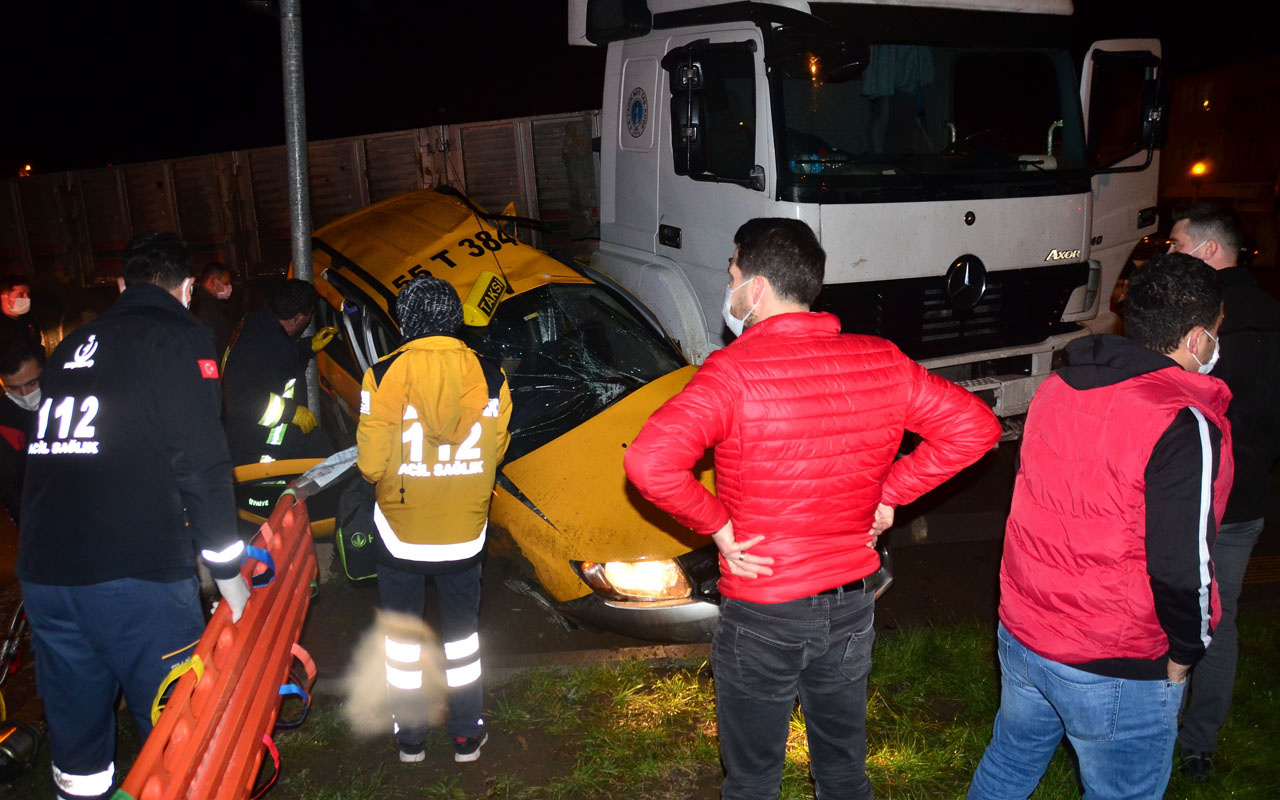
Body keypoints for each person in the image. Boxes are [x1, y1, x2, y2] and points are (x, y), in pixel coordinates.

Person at [624, 218, 1000, 800]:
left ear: (758, 288)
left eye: (732, 274)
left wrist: (718, 526)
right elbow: (976, 428)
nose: (729, 287)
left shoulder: (733, 373)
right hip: (851, 604)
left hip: (764, 612)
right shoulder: (882, 360)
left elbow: (649, 463)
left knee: (752, 780)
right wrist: (890, 491)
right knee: (845, 771)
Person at [966, 252, 1233, 800]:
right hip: (1117, 660)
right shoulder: (1183, 422)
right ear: (1198, 338)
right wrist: (1186, 652)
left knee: (1010, 765)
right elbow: (1184, 564)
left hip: (1026, 632)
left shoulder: (1057, 389)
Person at [17, 231, 249, 800]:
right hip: (132, 578)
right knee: (177, 734)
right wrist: (229, 578)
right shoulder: (180, 338)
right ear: (189, 288)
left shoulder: (75, 345)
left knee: (78, 740)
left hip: (45, 576)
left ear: (121, 284)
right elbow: (202, 463)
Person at [356, 274, 511, 765]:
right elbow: (496, 450)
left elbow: (370, 466)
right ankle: (467, 736)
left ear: (406, 323)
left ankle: (411, 737)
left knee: (403, 641)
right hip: (464, 535)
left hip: (400, 535)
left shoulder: (382, 375)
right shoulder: (491, 376)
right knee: (463, 639)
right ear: (455, 320)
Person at [1167, 201, 1280, 782]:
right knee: (1221, 618)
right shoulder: (1272, 314)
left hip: (1191, 498)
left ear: (1210, 250)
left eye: (1177, 244)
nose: (1170, 253)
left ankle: (1156, 733)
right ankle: (1198, 746)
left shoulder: (1202, 322)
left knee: (1167, 611)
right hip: (1247, 501)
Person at [220, 279, 334, 466]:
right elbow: (240, 400)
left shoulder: (264, 325)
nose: (311, 318)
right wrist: (291, 412)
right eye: (310, 313)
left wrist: (307, 348)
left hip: (278, 439)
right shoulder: (262, 345)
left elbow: (273, 370)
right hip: (257, 451)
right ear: (297, 317)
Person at [0, 336, 44, 525]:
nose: (25, 395)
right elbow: (11, 481)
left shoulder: (72, 401)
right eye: (14, 388)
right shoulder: (4, 419)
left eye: (32, 383)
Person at [190, 261, 235, 359]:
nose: (229, 287)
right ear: (213, 282)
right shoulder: (206, 310)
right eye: (226, 283)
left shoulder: (211, 306)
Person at [0, 275, 41, 352]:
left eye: (28, 294)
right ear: (4, 297)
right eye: (21, 295)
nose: (27, 299)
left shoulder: (29, 320)